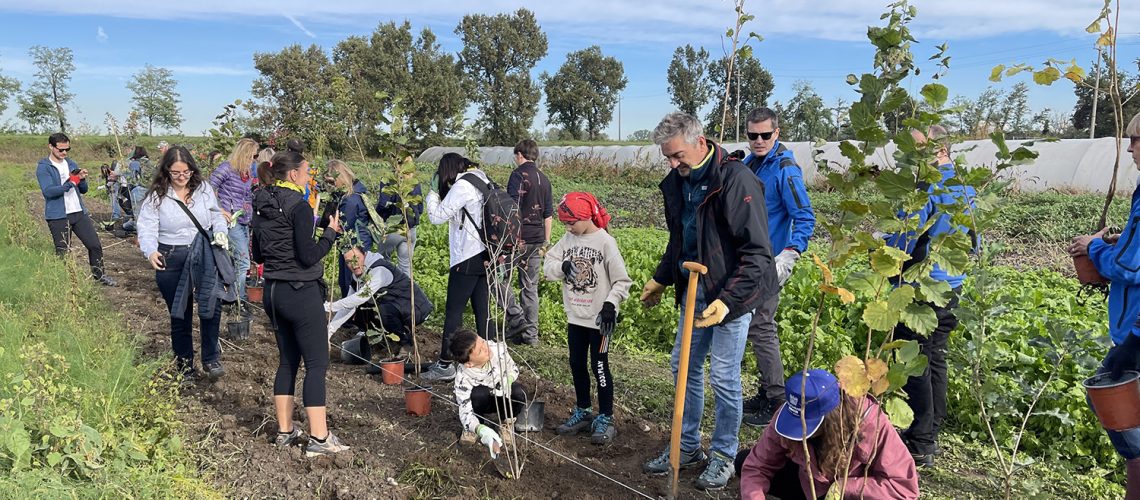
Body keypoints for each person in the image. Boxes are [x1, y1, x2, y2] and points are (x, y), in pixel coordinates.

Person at [638, 112, 777, 490]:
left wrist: (728, 302)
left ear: (700, 143)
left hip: (732, 293)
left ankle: (723, 455)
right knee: (682, 366)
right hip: (693, 289)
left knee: (725, 376)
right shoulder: (678, 182)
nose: (672, 163)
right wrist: (662, 277)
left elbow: (758, 255)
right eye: (667, 157)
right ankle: (685, 448)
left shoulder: (735, 180)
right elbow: (681, 239)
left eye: (677, 155)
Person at [885, 125, 974, 467]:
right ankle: (932, 427)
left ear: (938, 150)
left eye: (917, 150)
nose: (911, 156)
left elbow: (906, 241)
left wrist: (883, 250)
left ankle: (920, 440)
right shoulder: (964, 186)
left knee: (914, 358)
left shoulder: (925, 188)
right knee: (935, 355)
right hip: (952, 282)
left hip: (921, 284)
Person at [251, 148, 348, 457]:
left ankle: (285, 431)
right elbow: (308, 256)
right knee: (317, 363)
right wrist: (330, 234)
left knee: (287, 361)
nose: (308, 177)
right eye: (306, 172)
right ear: (293, 175)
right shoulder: (300, 206)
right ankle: (320, 438)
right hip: (300, 291)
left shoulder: (262, 202)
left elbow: (258, 255)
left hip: (273, 292)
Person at [1069, 112, 1140, 498]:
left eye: (1135, 139)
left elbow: (1132, 265)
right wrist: (1118, 242)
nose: (1129, 148)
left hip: (1136, 329)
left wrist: (1093, 247)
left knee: (1121, 414)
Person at [740, 107, 817, 427]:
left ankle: (775, 400)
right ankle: (765, 390)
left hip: (769, 262)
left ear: (777, 133)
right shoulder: (749, 163)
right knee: (748, 327)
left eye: (765, 135)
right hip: (745, 258)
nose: (759, 140)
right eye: (753, 135)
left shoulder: (785, 169)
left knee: (761, 327)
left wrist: (791, 252)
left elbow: (805, 216)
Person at [737, 369, 919, 500]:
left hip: (852, 493)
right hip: (810, 483)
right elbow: (757, 466)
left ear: (829, 418)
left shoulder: (870, 422)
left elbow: (904, 489)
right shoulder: (788, 414)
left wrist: (845, 487)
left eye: (806, 425)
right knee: (743, 460)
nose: (800, 433)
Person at [544, 192, 631, 444]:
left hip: (599, 320)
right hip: (576, 316)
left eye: (571, 223)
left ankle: (605, 416)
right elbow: (549, 263)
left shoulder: (605, 242)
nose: (568, 227)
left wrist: (610, 305)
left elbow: (622, 281)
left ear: (585, 217)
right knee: (576, 363)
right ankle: (583, 410)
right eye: (565, 224)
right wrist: (562, 268)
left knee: (599, 365)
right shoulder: (569, 238)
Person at [136, 146, 230, 380]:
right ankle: (184, 365)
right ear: (166, 171)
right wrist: (150, 251)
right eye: (176, 173)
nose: (181, 177)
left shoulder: (204, 189)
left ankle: (210, 358)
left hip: (203, 252)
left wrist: (220, 231)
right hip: (172, 254)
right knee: (180, 313)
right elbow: (146, 227)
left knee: (211, 306)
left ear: (192, 170)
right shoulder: (157, 196)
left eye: (185, 172)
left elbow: (216, 214)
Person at [421, 153, 493, 383]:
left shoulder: (463, 186)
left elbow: (436, 217)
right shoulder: (482, 180)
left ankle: (444, 365)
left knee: (453, 312)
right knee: (484, 312)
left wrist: (432, 192)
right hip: (485, 255)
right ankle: (491, 361)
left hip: (467, 257)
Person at [326, 247, 433, 366]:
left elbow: (361, 297)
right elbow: (348, 306)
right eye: (348, 261)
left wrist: (329, 306)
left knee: (382, 312)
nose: (353, 264)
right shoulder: (357, 276)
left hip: (415, 309)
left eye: (357, 258)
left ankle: (407, 343)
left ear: (365, 255)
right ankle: (381, 338)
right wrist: (328, 332)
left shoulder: (379, 270)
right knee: (358, 312)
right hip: (395, 306)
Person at [36, 133, 116, 286]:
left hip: (78, 212)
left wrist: (82, 179)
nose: (64, 153)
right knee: (63, 251)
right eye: (61, 150)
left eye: (67, 149)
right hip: (58, 215)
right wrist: (70, 183)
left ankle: (100, 276)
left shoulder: (71, 164)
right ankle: (64, 283)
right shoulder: (44, 167)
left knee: (95, 245)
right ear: (51, 147)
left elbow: (83, 190)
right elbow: (48, 191)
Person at [496, 138, 553, 345]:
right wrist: (546, 242)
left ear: (520, 154)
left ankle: (516, 317)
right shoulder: (544, 179)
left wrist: (507, 238)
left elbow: (512, 209)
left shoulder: (518, 176)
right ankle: (531, 336)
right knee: (530, 287)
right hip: (537, 240)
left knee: (498, 279)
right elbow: (548, 215)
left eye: (515, 156)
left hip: (517, 240)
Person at [449, 327, 526, 458]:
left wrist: (509, 379)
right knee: (477, 395)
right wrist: (480, 429)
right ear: (469, 364)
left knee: (519, 393)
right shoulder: (463, 377)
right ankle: (475, 425)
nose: (486, 348)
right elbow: (464, 409)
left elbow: (513, 368)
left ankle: (506, 423)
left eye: (482, 342)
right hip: (482, 400)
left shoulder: (498, 350)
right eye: (480, 351)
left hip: (502, 396)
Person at [208, 138, 258, 307]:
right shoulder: (226, 168)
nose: (253, 159)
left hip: (244, 219)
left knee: (240, 259)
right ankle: (237, 298)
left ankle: (234, 294)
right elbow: (208, 188)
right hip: (231, 221)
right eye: (252, 156)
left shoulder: (247, 172)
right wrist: (219, 209)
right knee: (243, 260)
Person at [325, 160, 375, 298]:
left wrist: (329, 232)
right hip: (360, 243)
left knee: (350, 283)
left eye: (331, 182)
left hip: (354, 247)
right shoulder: (357, 192)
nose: (330, 186)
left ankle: (352, 315)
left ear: (340, 178)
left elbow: (344, 227)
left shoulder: (350, 200)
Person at [374, 171, 424, 276]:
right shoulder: (414, 181)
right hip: (411, 228)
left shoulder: (388, 180)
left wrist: (378, 215)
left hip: (394, 228)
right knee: (405, 266)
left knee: (382, 260)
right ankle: (406, 291)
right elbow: (420, 208)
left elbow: (383, 204)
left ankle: (386, 288)